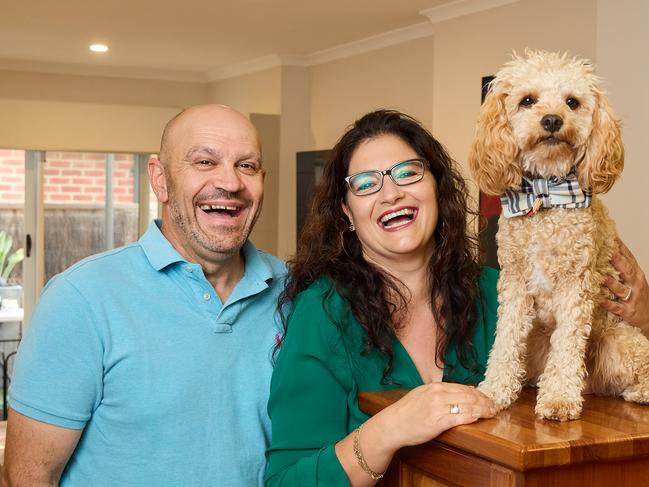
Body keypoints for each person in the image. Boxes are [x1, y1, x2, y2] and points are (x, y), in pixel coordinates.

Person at [3, 104, 286, 486]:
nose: (231, 183)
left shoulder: (295, 291)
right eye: (204, 161)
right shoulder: (81, 299)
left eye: (247, 166)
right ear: (160, 179)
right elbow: (28, 477)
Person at [265, 110, 498, 486]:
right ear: (347, 213)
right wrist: (390, 429)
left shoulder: (497, 294)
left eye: (408, 173)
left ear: (437, 187)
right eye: (366, 184)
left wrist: (631, 311)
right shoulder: (322, 315)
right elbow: (286, 482)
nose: (391, 194)